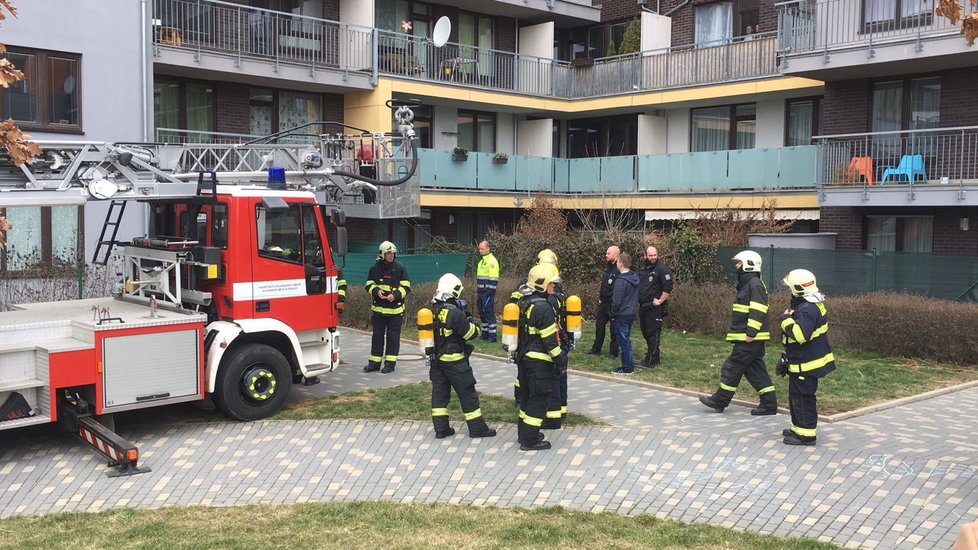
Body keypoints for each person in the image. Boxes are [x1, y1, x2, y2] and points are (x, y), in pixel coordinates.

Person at [699, 250, 778, 415]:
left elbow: (758, 310)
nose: (736, 266)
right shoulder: (750, 283)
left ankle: (719, 400)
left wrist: (750, 333)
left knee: (732, 367)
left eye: (739, 263)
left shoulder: (754, 284)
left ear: (748, 265)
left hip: (749, 338)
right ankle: (769, 404)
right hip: (749, 337)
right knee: (755, 370)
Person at [428, 273, 497, 439]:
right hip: (456, 363)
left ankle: (441, 430)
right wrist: (472, 322)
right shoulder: (454, 313)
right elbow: (470, 334)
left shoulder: (432, 309)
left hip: (437, 362)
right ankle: (477, 429)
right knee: (468, 395)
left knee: (439, 397)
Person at [777, 269, 836, 446]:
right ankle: (798, 428)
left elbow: (801, 335)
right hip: (803, 360)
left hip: (807, 363)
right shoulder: (810, 303)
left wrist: (785, 320)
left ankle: (806, 435)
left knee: (803, 398)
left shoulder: (807, 309)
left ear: (798, 289)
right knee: (796, 396)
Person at [515, 263, 567, 451]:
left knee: (528, 397)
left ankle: (525, 433)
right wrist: (560, 359)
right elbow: (550, 341)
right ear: (542, 284)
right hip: (539, 363)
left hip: (525, 359)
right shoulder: (543, 308)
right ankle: (530, 441)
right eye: (552, 284)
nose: (554, 287)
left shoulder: (526, 302)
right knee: (538, 399)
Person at [364, 241, 411, 374]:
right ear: (382, 254)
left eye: (392, 253)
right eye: (388, 253)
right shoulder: (375, 268)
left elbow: (406, 287)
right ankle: (374, 363)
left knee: (393, 337)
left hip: (395, 311)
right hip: (378, 310)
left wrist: (395, 295)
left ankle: (390, 364)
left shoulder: (400, 267)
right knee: (377, 336)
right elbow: (368, 284)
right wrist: (376, 291)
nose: (391, 255)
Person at [637, 246, 673, 368]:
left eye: (655, 255)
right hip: (643, 306)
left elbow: (668, 287)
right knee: (645, 331)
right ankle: (652, 353)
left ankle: (652, 359)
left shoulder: (662, 269)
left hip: (655, 307)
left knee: (653, 333)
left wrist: (660, 300)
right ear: (645, 255)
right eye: (650, 255)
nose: (653, 257)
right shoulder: (643, 267)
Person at [586, 245, 620, 358]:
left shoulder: (619, 268)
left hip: (613, 303)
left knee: (614, 328)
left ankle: (613, 352)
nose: (606, 255)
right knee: (599, 325)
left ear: (615, 254)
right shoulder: (608, 267)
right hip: (604, 302)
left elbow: (617, 288)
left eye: (608, 253)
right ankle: (596, 348)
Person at [610, 253, 639, 374]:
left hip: (621, 314)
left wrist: (612, 313)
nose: (616, 264)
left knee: (623, 341)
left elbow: (616, 300)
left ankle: (627, 367)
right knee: (626, 339)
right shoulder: (634, 277)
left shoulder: (621, 280)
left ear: (621, 263)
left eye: (617, 262)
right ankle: (627, 363)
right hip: (631, 312)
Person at [475, 240, 500, 343]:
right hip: (481, 291)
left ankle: (492, 335)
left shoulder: (491, 261)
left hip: (487, 292)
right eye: (479, 249)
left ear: (488, 248)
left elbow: (494, 277)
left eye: (482, 248)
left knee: (488, 312)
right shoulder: (482, 261)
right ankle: (485, 333)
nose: (480, 250)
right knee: (482, 312)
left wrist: (490, 290)